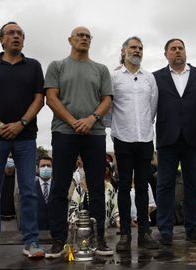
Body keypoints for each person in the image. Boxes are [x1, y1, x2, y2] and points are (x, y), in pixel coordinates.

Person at [0, 21, 45, 261]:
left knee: (28, 191)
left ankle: (31, 240)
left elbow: (39, 100)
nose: (16, 36)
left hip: (25, 137)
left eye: (20, 34)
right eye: (11, 33)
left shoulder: (33, 65)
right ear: (1, 39)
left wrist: (21, 123)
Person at [44, 26, 113, 258]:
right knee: (60, 186)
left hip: (94, 133)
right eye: (79, 35)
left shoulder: (101, 69)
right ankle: (58, 240)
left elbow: (107, 99)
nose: (84, 39)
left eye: (87, 36)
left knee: (96, 187)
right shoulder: (57, 66)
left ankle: (99, 238)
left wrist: (91, 119)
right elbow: (51, 98)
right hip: (64, 131)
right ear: (70, 39)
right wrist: (74, 121)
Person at [153, 38, 196, 245]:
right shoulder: (155, 78)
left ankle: (193, 228)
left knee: (193, 186)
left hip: (192, 138)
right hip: (167, 138)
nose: (177, 51)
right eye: (173, 49)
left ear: (186, 52)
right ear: (166, 53)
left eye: (180, 48)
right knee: (164, 186)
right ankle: (165, 230)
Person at [108, 36, 159, 251]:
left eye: (140, 48)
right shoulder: (114, 76)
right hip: (123, 138)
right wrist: (116, 129)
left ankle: (145, 233)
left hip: (145, 138)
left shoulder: (149, 78)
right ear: (123, 51)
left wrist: (145, 126)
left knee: (142, 186)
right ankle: (126, 234)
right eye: (133, 47)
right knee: (123, 186)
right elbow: (108, 106)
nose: (137, 51)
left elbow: (153, 105)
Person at [36, 156, 53, 230]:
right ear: (37, 168)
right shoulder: (31, 187)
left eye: (48, 166)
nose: (46, 168)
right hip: (36, 231)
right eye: (43, 166)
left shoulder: (58, 187)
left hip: (54, 231)